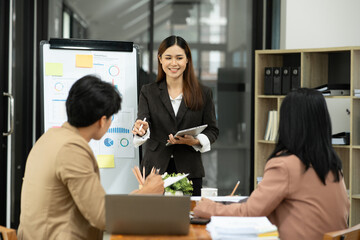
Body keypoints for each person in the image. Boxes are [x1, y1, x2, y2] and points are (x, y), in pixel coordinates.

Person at [18, 75, 164, 240]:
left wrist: (139, 194)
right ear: (102, 121)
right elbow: (103, 217)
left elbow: (93, 205)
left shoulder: (51, 137)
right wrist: (147, 193)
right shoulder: (72, 150)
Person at [193, 88, 350, 240]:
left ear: (288, 122)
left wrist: (208, 208)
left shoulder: (286, 165)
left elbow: (250, 212)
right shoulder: (332, 164)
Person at [132, 35, 219, 196]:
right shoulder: (148, 91)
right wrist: (141, 128)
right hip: (154, 171)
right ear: (160, 59)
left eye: (179, 58)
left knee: (188, 218)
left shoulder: (203, 93)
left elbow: (212, 130)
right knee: (152, 220)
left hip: (189, 170)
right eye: (168, 58)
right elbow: (143, 121)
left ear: (187, 60)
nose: (174, 63)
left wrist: (195, 141)